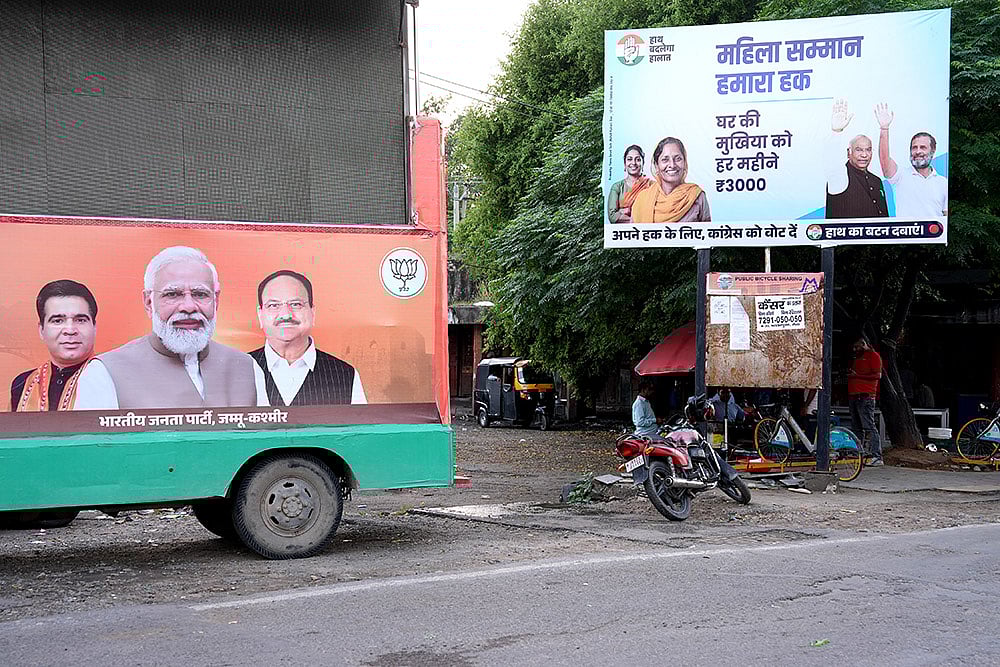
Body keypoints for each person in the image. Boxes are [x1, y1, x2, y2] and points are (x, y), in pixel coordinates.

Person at [75, 246, 267, 410]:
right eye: (173, 294)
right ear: (149, 302)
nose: (189, 307)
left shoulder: (246, 368)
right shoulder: (105, 373)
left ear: (215, 301)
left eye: (200, 294)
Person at [249, 270, 366, 406]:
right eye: (273, 305)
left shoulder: (345, 375)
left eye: (296, 304)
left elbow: (360, 421)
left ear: (312, 312)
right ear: (260, 314)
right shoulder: (238, 370)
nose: (286, 314)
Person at [10, 280, 99, 411]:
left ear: (94, 327)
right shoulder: (22, 385)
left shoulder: (113, 380)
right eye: (58, 321)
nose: (70, 330)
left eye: (80, 320)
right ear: (41, 330)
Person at [874, 103, 948, 218]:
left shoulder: (943, 183)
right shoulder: (901, 175)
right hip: (906, 230)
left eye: (923, 147)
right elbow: (884, 160)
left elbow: (946, 218)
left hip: (933, 230)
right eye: (914, 147)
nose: (918, 151)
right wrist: (884, 128)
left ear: (933, 151)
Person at [825, 99, 888, 219]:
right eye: (859, 150)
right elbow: (832, 161)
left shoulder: (877, 181)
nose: (864, 155)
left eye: (868, 150)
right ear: (849, 153)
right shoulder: (840, 176)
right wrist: (836, 132)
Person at [631, 137, 711, 222]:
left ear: (685, 163)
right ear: (656, 166)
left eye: (678, 159)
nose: (672, 165)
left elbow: (708, 229)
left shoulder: (696, 196)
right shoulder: (642, 199)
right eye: (665, 160)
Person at [848, 335, 884, 466]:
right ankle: (857, 452)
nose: (855, 349)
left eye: (857, 347)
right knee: (856, 427)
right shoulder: (857, 358)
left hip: (865, 396)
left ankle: (876, 455)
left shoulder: (873, 356)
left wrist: (858, 376)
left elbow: (877, 375)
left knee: (869, 426)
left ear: (863, 344)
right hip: (854, 395)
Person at [607, 144, 653, 223]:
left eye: (638, 159)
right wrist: (638, 218)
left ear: (643, 163)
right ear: (625, 164)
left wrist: (623, 211)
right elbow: (612, 216)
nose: (633, 163)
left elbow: (657, 212)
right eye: (629, 159)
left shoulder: (652, 185)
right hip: (623, 230)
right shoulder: (617, 187)